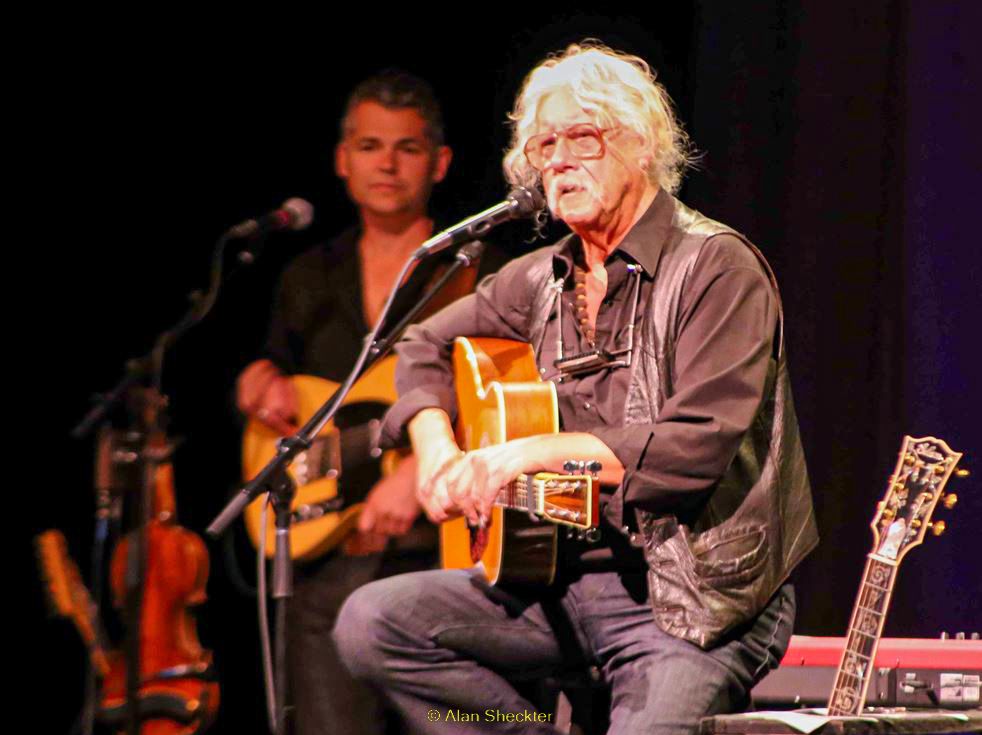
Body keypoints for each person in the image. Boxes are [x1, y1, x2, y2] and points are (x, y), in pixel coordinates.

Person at [333, 43, 819, 734]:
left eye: (582, 137)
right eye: (544, 144)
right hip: (554, 586)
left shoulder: (716, 268)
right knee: (374, 625)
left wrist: (523, 454)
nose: (559, 160)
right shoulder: (539, 279)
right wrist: (437, 450)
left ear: (641, 144)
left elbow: (691, 449)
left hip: (694, 604)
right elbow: (420, 344)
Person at [236, 71, 503, 735]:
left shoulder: (483, 271)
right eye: (369, 146)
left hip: (446, 557)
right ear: (342, 159)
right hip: (330, 562)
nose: (386, 164)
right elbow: (277, 371)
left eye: (407, 147)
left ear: (440, 162)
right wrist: (260, 381)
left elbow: (510, 397)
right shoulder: (306, 276)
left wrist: (423, 467)